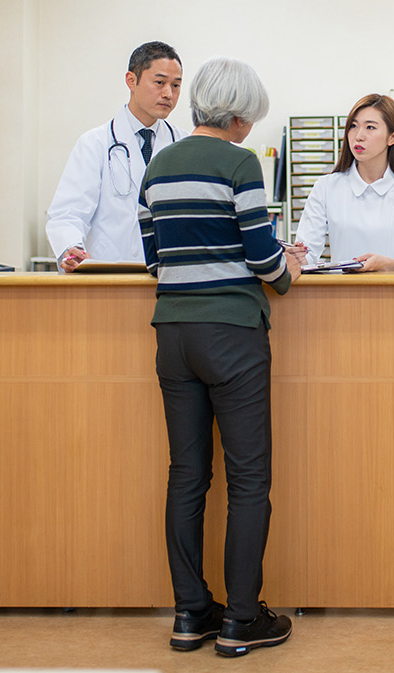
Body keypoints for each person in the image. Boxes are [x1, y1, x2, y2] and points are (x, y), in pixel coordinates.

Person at [137, 56, 300, 658]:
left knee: (188, 475)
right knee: (249, 478)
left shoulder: (158, 165)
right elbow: (262, 255)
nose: (250, 129)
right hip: (231, 333)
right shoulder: (239, 164)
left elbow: (154, 256)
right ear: (234, 115)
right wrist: (288, 273)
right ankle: (240, 620)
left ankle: (189, 614)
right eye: (249, 119)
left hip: (173, 336)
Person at [46, 41, 185, 270]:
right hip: (109, 280)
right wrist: (71, 249)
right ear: (132, 80)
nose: (168, 93)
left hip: (167, 280)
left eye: (176, 85)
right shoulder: (95, 144)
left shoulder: (183, 144)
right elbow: (67, 215)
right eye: (159, 82)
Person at [291, 93, 394, 272]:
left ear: (393, 137)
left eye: (370, 127)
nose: (358, 136)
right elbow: (308, 254)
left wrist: (388, 265)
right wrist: (298, 257)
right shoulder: (326, 187)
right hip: (342, 295)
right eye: (353, 126)